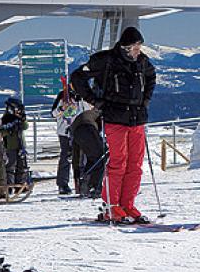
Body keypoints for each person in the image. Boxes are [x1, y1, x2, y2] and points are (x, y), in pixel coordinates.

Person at [70, 27, 157, 223]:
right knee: (118, 162)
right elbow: (77, 77)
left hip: (137, 119)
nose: (138, 51)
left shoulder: (142, 61)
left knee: (135, 164)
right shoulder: (106, 60)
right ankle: (112, 206)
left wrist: (146, 100)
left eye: (139, 47)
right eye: (135, 48)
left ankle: (127, 204)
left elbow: (151, 77)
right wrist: (94, 100)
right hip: (115, 118)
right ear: (126, 48)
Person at [52, 90, 91, 195]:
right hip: (65, 132)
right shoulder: (63, 97)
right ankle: (62, 184)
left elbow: (88, 110)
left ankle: (81, 182)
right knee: (66, 157)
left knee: (81, 158)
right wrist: (62, 108)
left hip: (80, 130)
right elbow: (54, 113)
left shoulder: (83, 98)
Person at [70, 105, 107, 198]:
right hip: (88, 128)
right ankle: (94, 187)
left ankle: (86, 184)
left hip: (76, 131)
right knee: (101, 157)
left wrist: (76, 174)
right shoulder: (101, 115)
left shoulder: (91, 114)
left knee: (93, 158)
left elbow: (76, 155)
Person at [0, 97, 29, 189]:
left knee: (22, 166)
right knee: (10, 166)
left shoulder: (19, 119)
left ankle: (20, 185)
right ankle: (9, 186)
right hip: (10, 146)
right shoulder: (5, 119)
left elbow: (25, 126)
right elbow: (2, 132)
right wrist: (9, 129)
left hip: (20, 145)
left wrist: (22, 119)